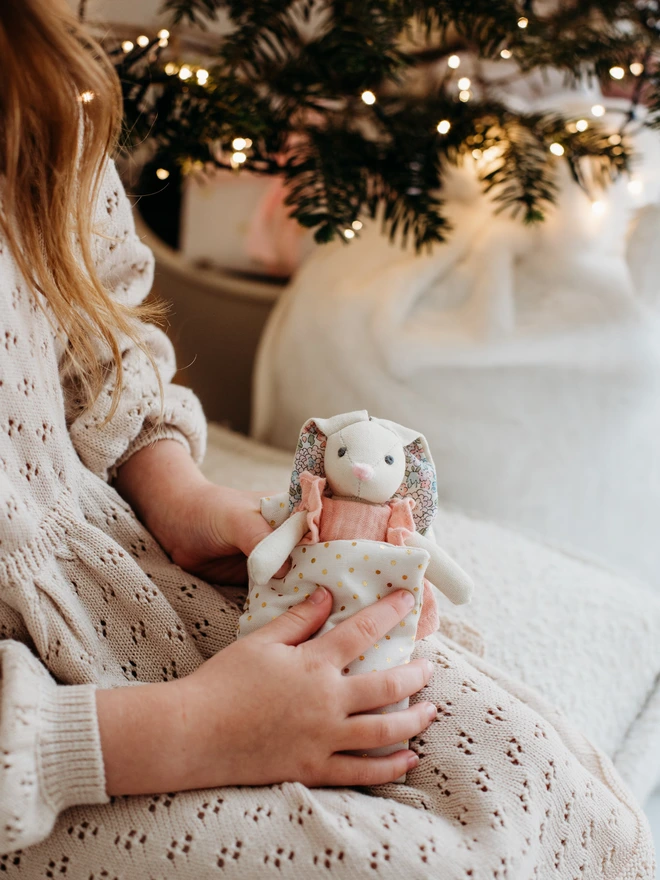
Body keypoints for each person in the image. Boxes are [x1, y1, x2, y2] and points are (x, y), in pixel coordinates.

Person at [0, 2, 653, 877]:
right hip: (44, 749)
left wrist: (173, 490)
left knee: (523, 777)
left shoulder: (29, 65)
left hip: (107, 562)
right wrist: (182, 734)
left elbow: (95, 313)